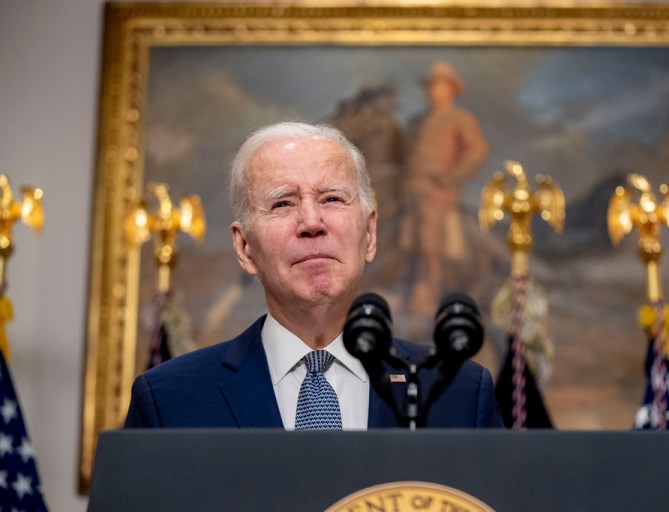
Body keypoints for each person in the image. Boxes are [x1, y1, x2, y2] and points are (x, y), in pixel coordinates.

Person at [124, 121, 502, 429]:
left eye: (332, 199)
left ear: (369, 235)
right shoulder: (170, 400)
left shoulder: (460, 395)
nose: (311, 222)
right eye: (283, 203)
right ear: (244, 248)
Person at [407, 62, 489, 315]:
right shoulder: (420, 122)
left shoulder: (460, 119)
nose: (434, 91)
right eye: (432, 86)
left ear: (451, 89)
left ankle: (429, 290)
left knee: (429, 227)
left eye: (440, 86)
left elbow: (477, 149)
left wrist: (452, 175)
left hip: (438, 190)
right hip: (412, 186)